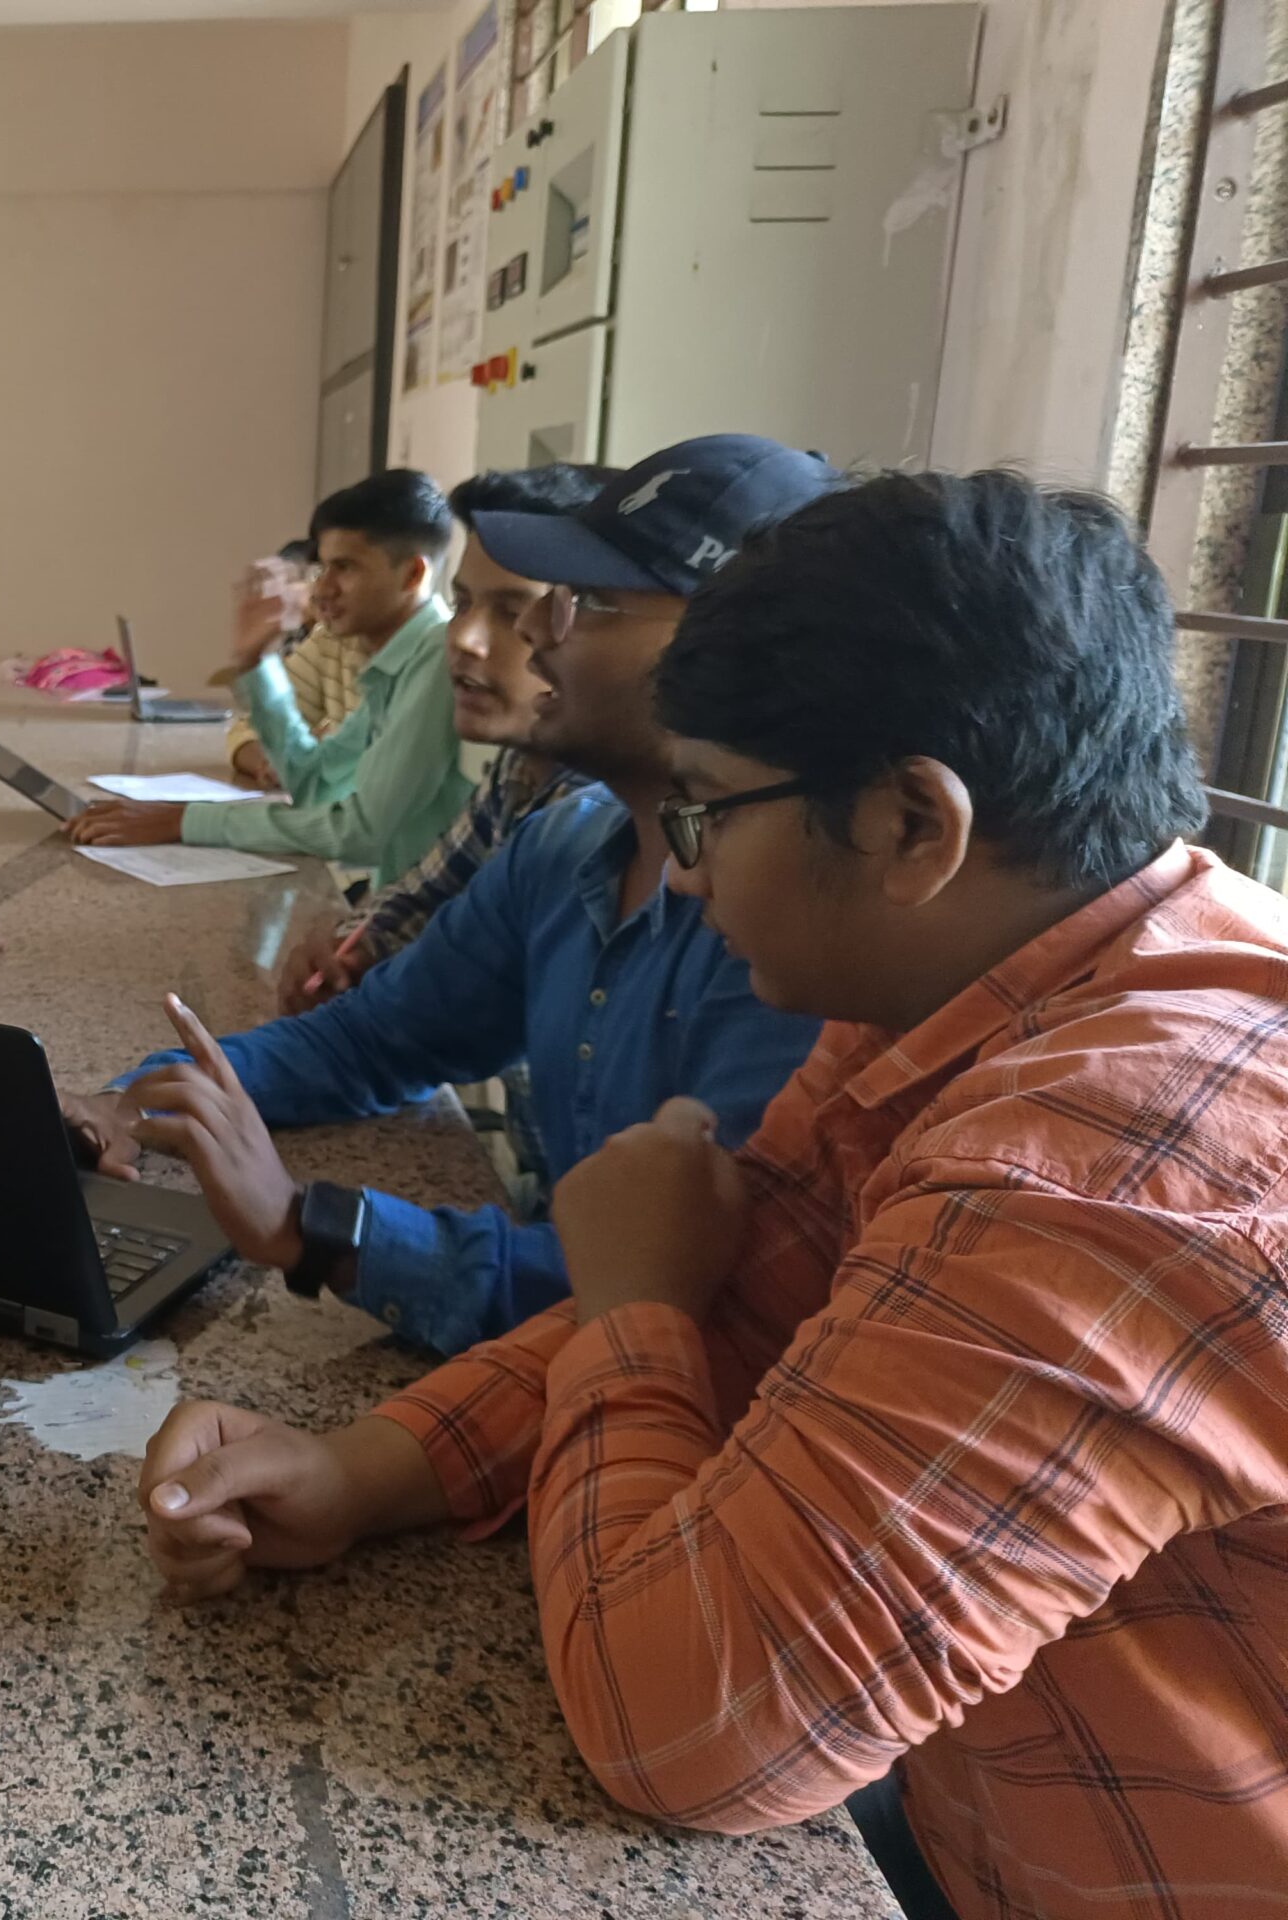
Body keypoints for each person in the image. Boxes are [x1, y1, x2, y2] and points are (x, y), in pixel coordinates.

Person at [134, 471, 1288, 1920]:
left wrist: (630, 1299)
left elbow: (688, 1730)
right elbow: (744, 1309)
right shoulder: (965, 985)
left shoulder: (1112, 1175)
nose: (680, 880)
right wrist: (359, 1473)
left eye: (707, 815)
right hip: (972, 1813)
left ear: (911, 826)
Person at [66, 438, 833, 1355]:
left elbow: (684, 1291)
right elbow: (370, 1038)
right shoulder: (563, 843)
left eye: (582, 603)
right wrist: (133, 1100)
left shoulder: (787, 937)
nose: (537, 630)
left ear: (723, 652)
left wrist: (314, 1226)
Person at [273, 462, 611, 1017]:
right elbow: (417, 901)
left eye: (513, 611)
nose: (464, 639)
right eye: (463, 604)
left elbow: (472, 1005)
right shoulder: (519, 770)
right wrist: (351, 948)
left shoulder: (592, 813)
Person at [65, 470, 473, 889]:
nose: (323, 590)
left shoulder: (438, 657)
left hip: (427, 915)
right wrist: (255, 662)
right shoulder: (400, 658)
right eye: (323, 568)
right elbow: (315, 784)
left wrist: (185, 821)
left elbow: (361, 833)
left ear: (412, 575)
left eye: (345, 568)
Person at [223, 541, 363, 791]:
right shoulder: (330, 640)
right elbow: (248, 729)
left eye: (345, 568)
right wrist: (267, 763)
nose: (322, 589)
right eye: (321, 573)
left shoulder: (426, 655)